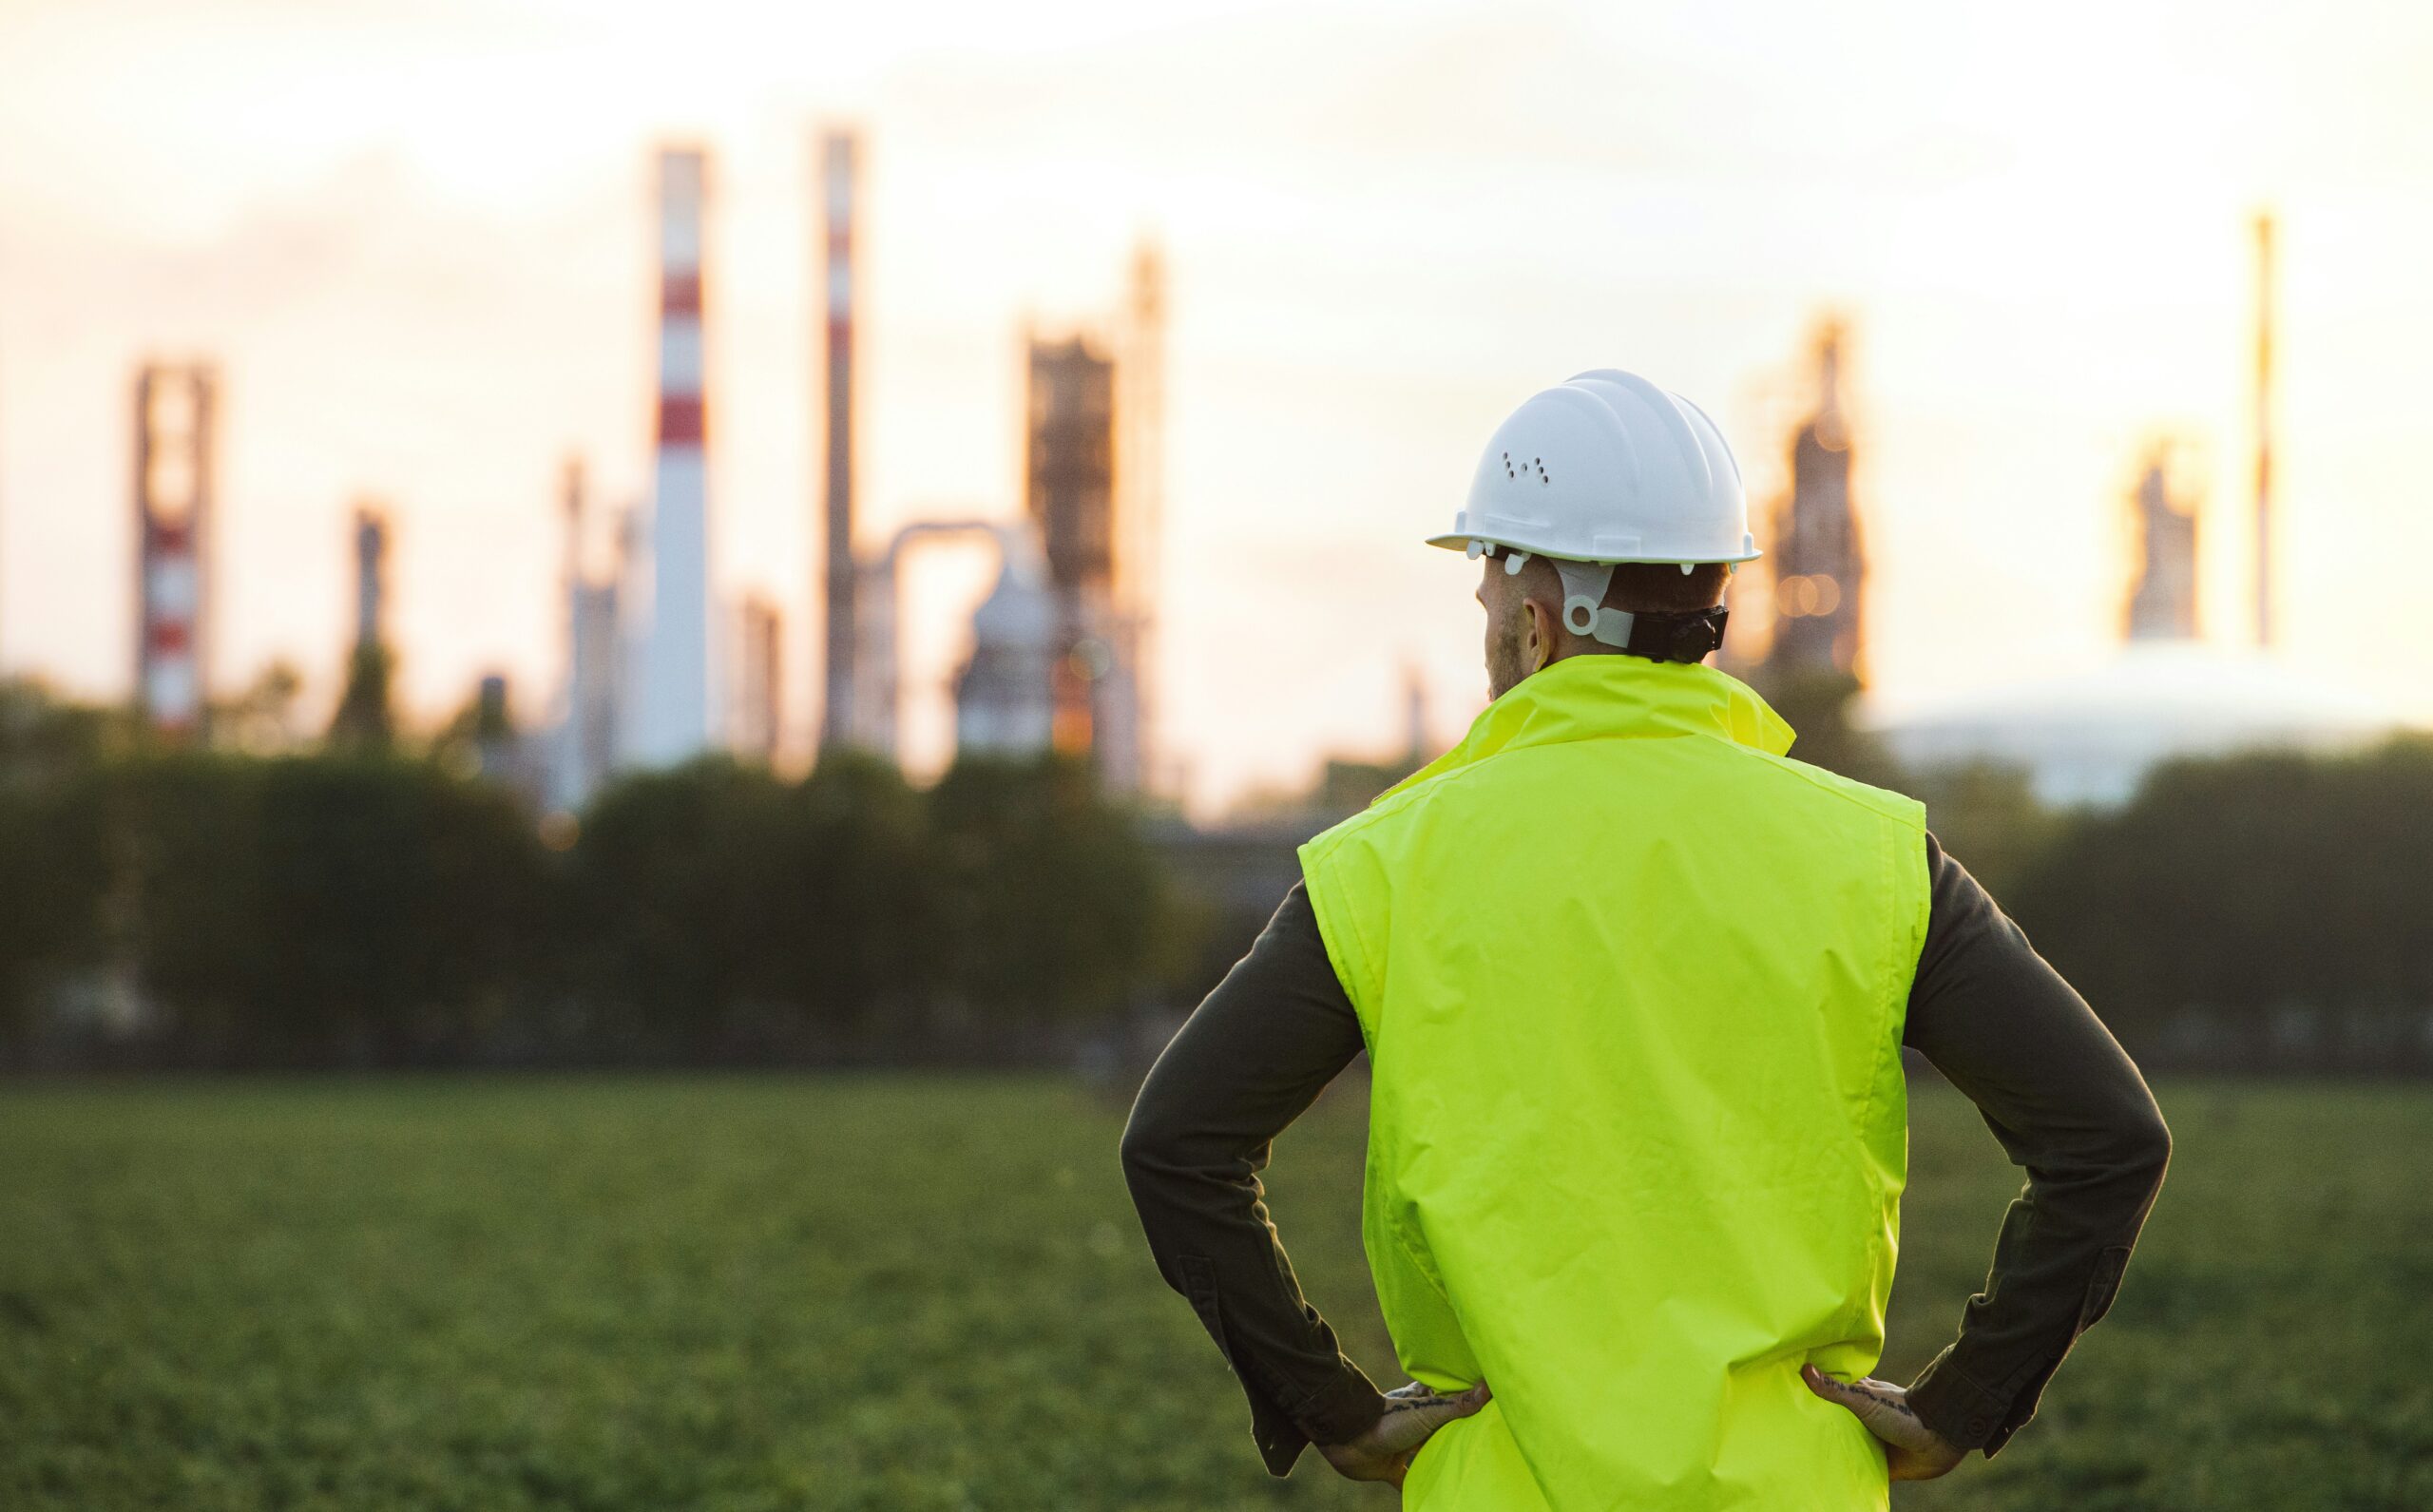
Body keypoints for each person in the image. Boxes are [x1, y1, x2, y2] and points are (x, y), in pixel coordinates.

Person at [1121, 371, 2171, 1507]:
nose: (1484, 624)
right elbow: (2108, 1139)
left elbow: (1178, 1144)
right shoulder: (1873, 857)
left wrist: (1330, 1408)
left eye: (1484, 590)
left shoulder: (1388, 862)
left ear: (1536, 617)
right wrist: (1964, 1405)